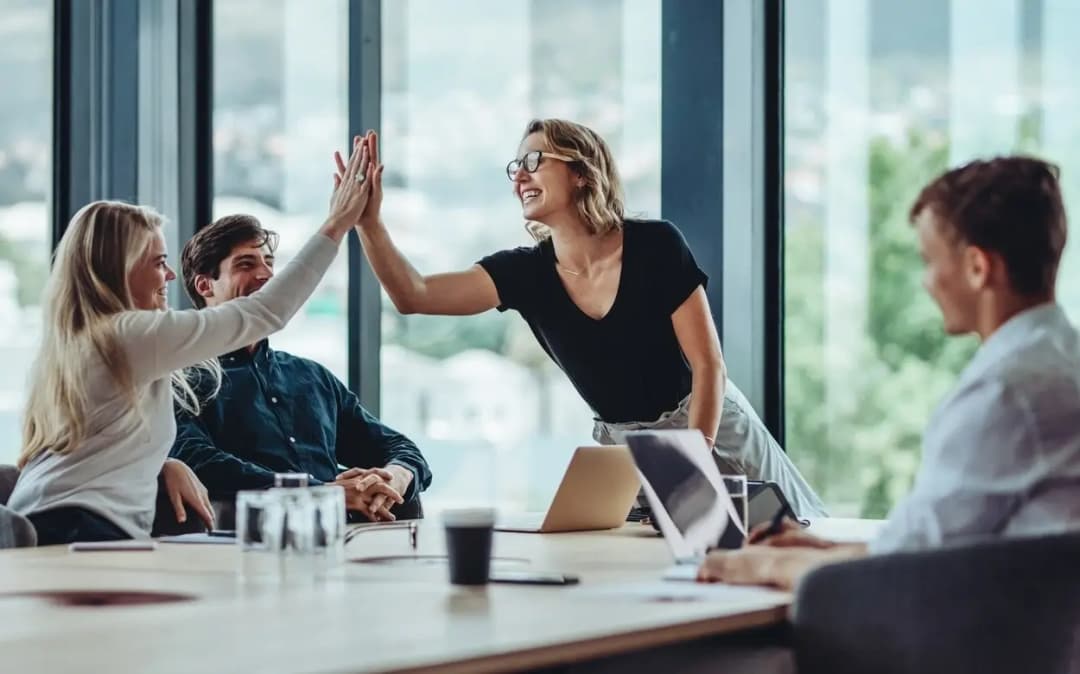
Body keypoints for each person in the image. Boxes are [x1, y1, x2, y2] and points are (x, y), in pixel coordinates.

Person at [337, 119, 826, 517]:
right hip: (625, 449)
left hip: (708, 424)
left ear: (581, 172)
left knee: (795, 539)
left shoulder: (656, 245)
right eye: (515, 167)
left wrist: (691, 462)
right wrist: (370, 223)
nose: (519, 176)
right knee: (656, 574)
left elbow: (708, 366)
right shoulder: (524, 273)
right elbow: (413, 294)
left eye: (534, 161)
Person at [698, 156, 1080, 590]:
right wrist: (820, 550)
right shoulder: (1060, 362)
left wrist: (758, 567)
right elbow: (930, 544)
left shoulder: (1007, 392)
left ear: (978, 268)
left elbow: (906, 572)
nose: (926, 282)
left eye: (930, 261)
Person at [8, 136, 375, 545]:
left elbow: (97, 444)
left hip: (47, 520)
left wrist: (163, 464)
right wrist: (337, 224)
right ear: (119, 268)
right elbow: (265, 312)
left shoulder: (81, 341)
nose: (169, 276)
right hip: (76, 529)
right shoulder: (125, 335)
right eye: (158, 262)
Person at [170, 213, 431, 522]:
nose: (267, 275)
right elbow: (198, 460)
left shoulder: (311, 377)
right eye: (246, 264)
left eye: (269, 262)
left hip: (348, 543)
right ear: (205, 285)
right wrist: (320, 492)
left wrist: (394, 478)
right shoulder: (181, 380)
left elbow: (398, 446)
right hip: (250, 546)